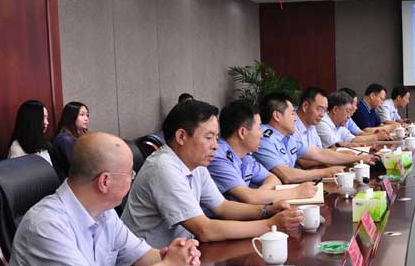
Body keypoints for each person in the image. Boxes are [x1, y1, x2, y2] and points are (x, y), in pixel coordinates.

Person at [0, 132, 202, 266]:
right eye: (130, 173)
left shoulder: (104, 213)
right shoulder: (46, 224)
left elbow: (143, 256)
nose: (133, 178)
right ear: (105, 181)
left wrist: (179, 255)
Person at [122, 100, 302, 248]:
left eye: (216, 137)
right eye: (208, 137)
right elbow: (204, 230)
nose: (216, 145)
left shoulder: (196, 164)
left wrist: (267, 210)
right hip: (148, 265)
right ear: (181, 137)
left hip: (181, 255)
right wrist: (270, 224)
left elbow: (222, 207)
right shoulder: (163, 167)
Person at [208, 99, 318, 205]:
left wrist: (260, 194)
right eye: (259, 128)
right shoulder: (218, 157)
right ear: (242, 132)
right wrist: (296, 192)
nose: (261, 134)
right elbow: (249, 197)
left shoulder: (245, 155)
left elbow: (273, 179)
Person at [255, 92, 368, 184]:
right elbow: (287, 175)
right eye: (291, 113)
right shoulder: (264, 139)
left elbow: (319, 153)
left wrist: (358, 158)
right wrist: (326, 172)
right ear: (277, 116)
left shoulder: (288, 137)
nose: (295, 118)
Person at [293, 87, 374, 168]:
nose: (322, 115)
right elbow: (304, 161)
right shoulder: (292, 127)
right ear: (305, 106)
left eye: (325, 110)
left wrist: (342, 151)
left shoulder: (311, 125)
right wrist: (348, 156)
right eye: (320, 109)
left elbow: (320, 152)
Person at [7, 100, 52, 164]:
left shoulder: (42, 143)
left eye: (47, 117)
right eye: (43, 118)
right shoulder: (17, 149)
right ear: (32, 121)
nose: (47, 122)